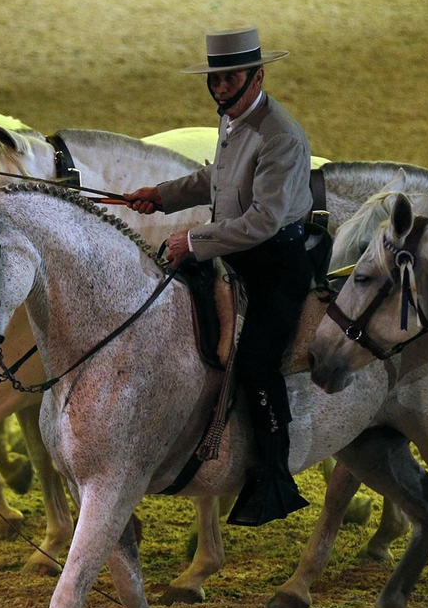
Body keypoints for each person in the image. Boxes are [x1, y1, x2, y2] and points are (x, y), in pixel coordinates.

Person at [124, 26, 314, 526]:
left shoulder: (282, 136)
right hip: (237, 251)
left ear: (258, 76)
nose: (221, 86)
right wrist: (162, 195)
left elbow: (264, 221)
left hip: (278, 261)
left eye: (231, 78)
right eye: (216, 78)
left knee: (256, 359)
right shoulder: (233, 119)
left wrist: (194, 241)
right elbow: (216, 181)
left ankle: (273, 474)